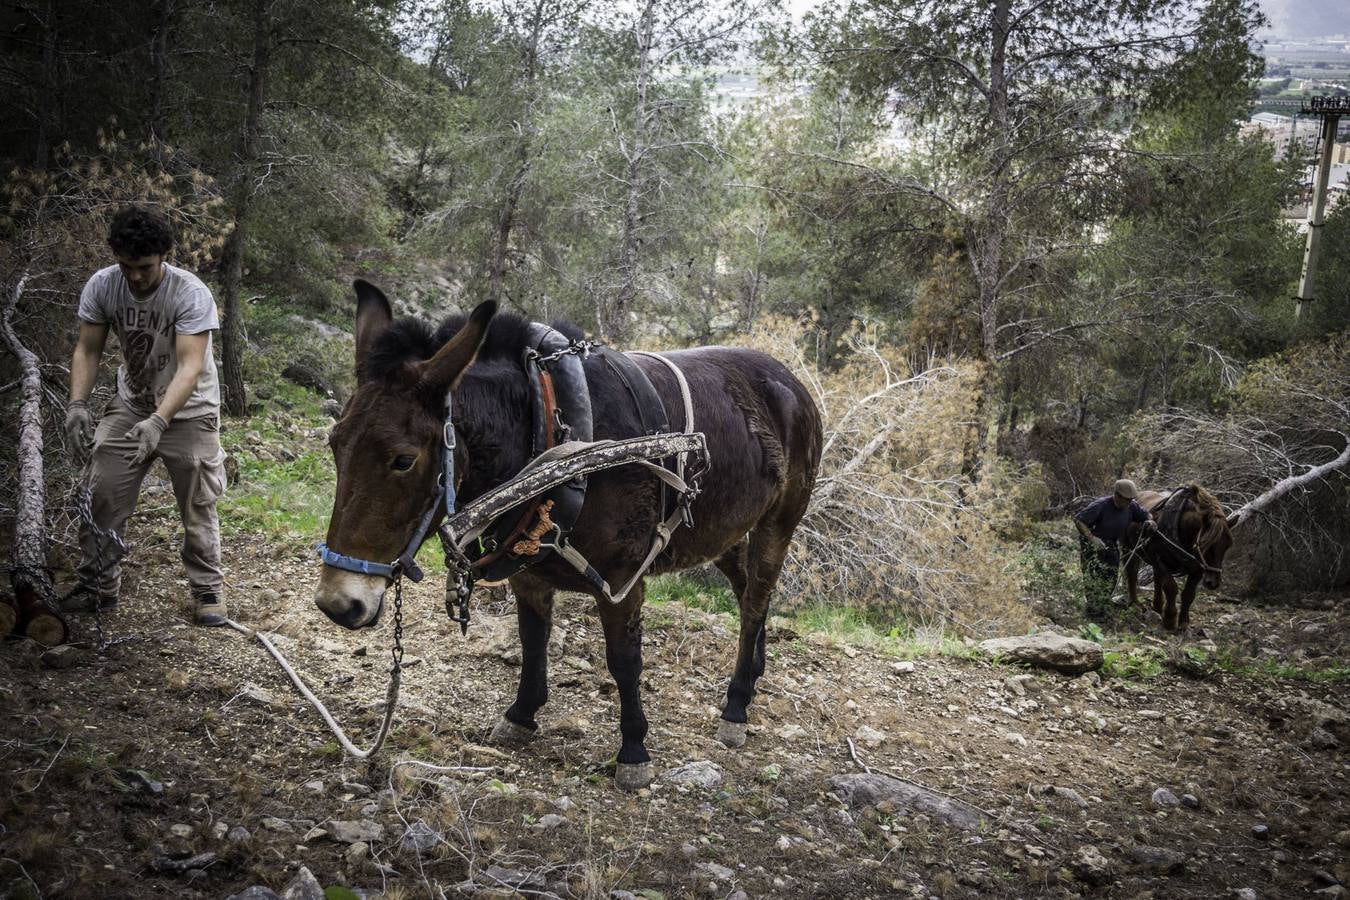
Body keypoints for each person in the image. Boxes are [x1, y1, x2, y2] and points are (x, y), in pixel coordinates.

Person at [61, 205, 228, 626]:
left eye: (145, 267)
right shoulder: (103, 285)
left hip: (190, 411)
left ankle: (207, 588)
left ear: (163, 257)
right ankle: (99, 583)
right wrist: (77, 404)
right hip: (131, 402)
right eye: (127, 265)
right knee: (103, 491)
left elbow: (190, 366)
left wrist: (159, 422)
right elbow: (88, 349)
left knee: (198, 503)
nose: (135, 276)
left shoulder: (189, 293)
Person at [1074, 478, 1155, 621]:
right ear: (1117, 495)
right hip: (1093, 545)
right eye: (1126, 500)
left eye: (1131, 500)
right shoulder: (1100, 505)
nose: (1129, 503)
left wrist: (1150, 520)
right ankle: (1093, 610)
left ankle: (1103, 605)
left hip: (1111, 544)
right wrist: (1091, 538)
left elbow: (1146, 514)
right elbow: (1079, 520)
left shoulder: (1131, 506)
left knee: (1111, 576)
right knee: (1093, 576)